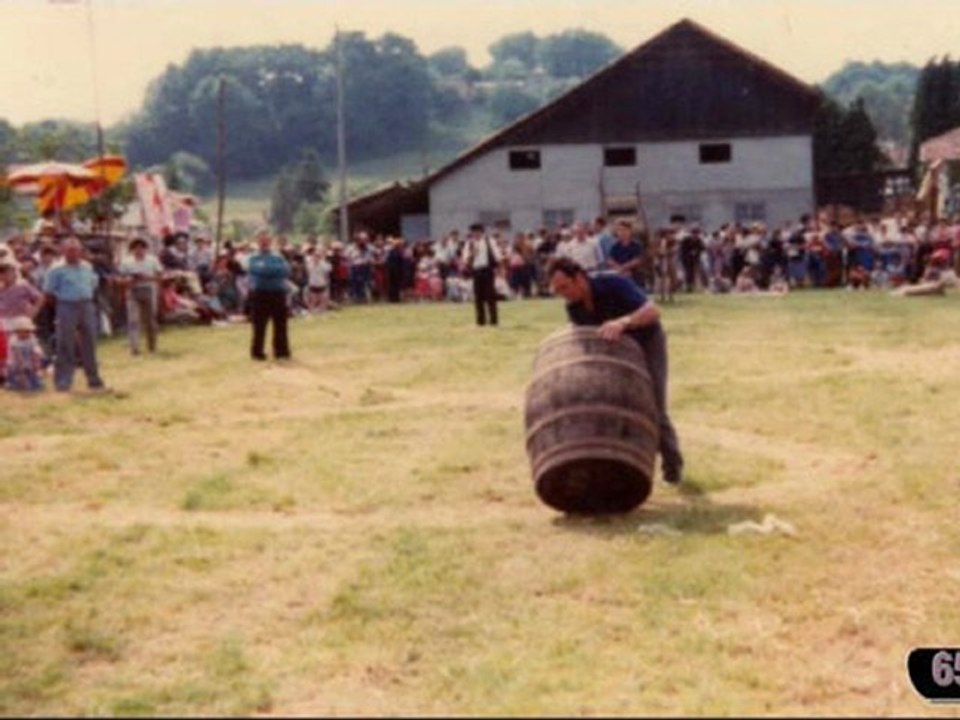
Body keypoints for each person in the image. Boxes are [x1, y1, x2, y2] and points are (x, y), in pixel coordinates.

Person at [547, 256, 684, 485]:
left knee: (653, 405)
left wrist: (623, 322)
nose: (562, 293)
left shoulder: (613, 283)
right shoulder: (574, 307)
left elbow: (653, 311)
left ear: (579, 278)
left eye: (564, 287)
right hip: (612, 351)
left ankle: (672, 465)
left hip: (646, 342)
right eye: (557, 289)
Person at [41, 237, 107, 392]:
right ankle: (63, 381)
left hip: (86, 305)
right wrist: (61, 306)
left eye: (77, 249)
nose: (74, 253)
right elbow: (48, 293)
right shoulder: (56, 270)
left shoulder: (87, 267)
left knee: (89, 342)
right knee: (65, 344)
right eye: (70, 250)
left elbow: (93, 284)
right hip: (66, 306)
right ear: (63, 251)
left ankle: (94, 380)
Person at [247, 230, 291, 361]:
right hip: (260, 294)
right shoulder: (253, 257)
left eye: (266, 240)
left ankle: (281, 351)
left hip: (278, 293)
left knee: (280, 324)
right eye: (261, 240)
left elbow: (286, 270)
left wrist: (266, 269)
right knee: (259, 325)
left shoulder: (278, 256)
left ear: (270, 241)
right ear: (257, 242)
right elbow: (255, 269)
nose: (264, 243)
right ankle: (257, 352)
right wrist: (272, 270)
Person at [116, 237, 162, 355]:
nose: (139, 250)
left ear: (145, 249)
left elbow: (160, 276)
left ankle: (152, 346)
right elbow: (119, 279)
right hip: (132, 290)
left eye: (141, 248)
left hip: (149, 289)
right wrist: (129, 279)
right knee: (133, 320)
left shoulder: (152, 260)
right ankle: (134, 348)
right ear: (132, 250)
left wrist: (147, 277)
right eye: (136, 248)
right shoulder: (126, 262)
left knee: (150, 320)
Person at [461, 222, 503, 327]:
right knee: (478, 297)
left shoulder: (489, 241)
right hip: (476, 271)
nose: (475, 234)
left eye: (477, 231)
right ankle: (480, 321)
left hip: (488, 270)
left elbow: (497, 255)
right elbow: (465, 259)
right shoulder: (469, 243)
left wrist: (500, 268)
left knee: (490, 295)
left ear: (481, 232)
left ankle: (494, 321)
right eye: (474, 232)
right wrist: (472, 254)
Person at [5, 316, 45, 392]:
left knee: (35, 383)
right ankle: (13, 382)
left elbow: (36, 349)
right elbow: (16, 355)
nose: (25, 333)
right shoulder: (14, 340)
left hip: (29, 364)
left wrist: (37, 353)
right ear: (17, 331)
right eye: (22, 331)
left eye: (27, 331)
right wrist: (21, 371)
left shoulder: (31, 339)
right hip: (16, 364)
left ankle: (33, 380)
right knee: (16, 377)